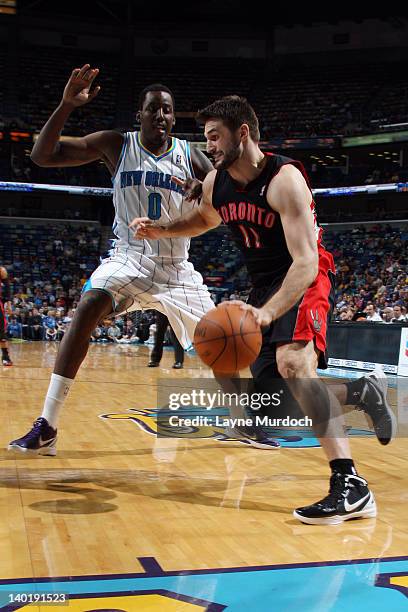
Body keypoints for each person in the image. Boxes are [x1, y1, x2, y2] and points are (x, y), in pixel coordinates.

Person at [130, 95, 396, 525]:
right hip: (263, 285)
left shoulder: (284, 179)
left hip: (304, 275)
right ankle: (363, 392)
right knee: (277, 405)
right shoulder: (218, 181)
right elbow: (202, 219)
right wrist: (161, 230)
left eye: (215, 137)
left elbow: (307, 262)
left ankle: (351, 485)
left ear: (243, 133)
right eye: (206, 139)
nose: (209, 146)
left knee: (294, 364)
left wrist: (268, 313)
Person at [8, 64, 216, 456]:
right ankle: (48, 424)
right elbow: (43, 155)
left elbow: (225, 199)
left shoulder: (191, 155)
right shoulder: (117, 144)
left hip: (177, 268)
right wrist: (66, 105)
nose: (161, 116)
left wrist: (204, 188)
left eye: (168, 110)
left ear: (174, 117)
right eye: (153, 108)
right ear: (140, 115)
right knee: (88, 304)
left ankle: (252, 421)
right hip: (130, 258)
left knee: (226, 343)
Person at [0, 266, 13, 366]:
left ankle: (5, 357)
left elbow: (7, 293)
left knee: (1, 335)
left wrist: (8, 305)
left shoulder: (2, 273)